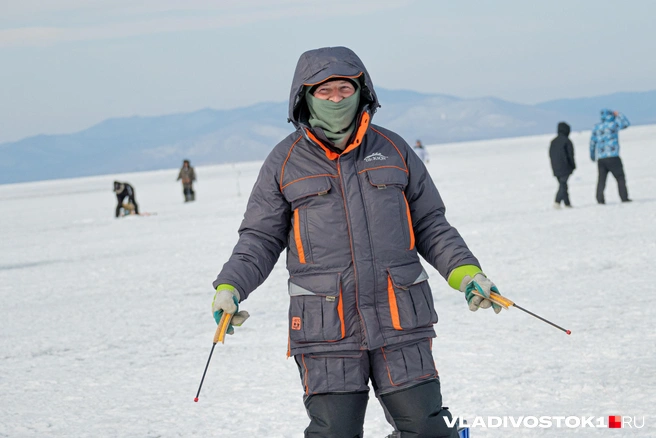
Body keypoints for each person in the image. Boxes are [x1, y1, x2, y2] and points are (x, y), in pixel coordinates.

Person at [210, 46, 502, 438]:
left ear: (362, 91)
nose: (336, 99)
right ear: (305, 96)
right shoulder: (285, 161)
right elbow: (260, 238)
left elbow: (431, 224)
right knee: (334, 434)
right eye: (324, 91)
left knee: (428, 431)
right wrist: (230, 287)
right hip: (326, 327)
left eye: (344, 89)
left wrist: (467, 274)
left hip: (400, 318)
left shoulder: (394, 150)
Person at [590, 109, 631, 204]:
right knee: (620, 178)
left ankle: (600, 199)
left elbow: (592, 142)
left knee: (601, 180)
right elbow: (626, 124)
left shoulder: (597, 127)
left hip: (601, 158)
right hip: (613, 156)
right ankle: (624, 197)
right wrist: (619, 114)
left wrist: (592, 155)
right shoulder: (614, 124)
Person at [549, 122, 576, 209]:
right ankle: (557, 202)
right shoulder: (567, 141)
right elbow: (570, 155)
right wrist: (573, 165)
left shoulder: (553, 142)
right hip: (565, 166)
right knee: (563, 184)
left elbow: (550, 154)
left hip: (555, 166)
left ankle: (567, 203)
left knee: (563, 184)